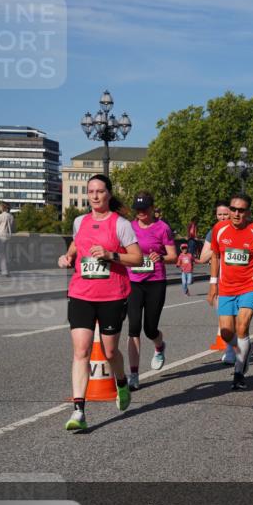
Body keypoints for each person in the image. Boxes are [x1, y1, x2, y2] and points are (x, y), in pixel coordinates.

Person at [57, 174, 143, 431]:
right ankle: (78, 411)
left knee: (109, 352)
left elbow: (137, 258)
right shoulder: (79, 221)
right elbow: (76, 244)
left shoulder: (121, 224)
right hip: (81, 293)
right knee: (81, 351)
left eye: (99, 191)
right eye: (91, 191)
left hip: (112, 296)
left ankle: (121, 382)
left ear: (108, 194)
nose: (94, 196)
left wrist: (110, 255)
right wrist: (67, 256)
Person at [206, 194, 253, 390]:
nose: (236, 213)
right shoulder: (219, 229)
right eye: (233, 209)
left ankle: (238, 372)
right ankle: (246, 348)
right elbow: (216, 256)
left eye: (241, 210)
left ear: (248, 212)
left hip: (249, 286)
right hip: (226, 288)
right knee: (227, 333)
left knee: (242, 327)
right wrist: (213, 284)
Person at [125, 193, 177, 390]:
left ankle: (159, 346)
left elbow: (173, 256)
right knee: (134, 327)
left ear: (152, 208)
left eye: (144, 209)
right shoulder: (128, 227)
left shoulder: (162, 228)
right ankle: (134, 374)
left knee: (150, 329)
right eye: (138, 210)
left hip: (155, 282)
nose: (141, 213)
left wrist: (161, 257)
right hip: (133, 282)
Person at [198, 202, 236, 364]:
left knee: (236, 316)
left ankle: (236, 347)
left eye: (225, 214)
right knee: (224, 314)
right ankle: (231, 349)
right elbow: (202, 258)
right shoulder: (213, 232)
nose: (222, 217)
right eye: (219, 214)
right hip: (220, 279)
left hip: (239, 278)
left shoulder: (240, 229)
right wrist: (219, 246)